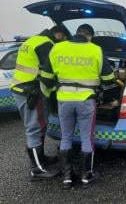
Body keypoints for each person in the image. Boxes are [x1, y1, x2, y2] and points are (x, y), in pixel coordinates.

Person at [40, 24, 114, 189]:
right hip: (86, 100)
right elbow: (109, 78)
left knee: (66, 137)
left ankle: (67, 178)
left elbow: (45, 77)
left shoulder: (58, 48)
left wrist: (55, 89)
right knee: (86, 138)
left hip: (64, 101)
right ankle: (85, 177)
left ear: (77, 33)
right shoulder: (95, 50)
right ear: (89, 36)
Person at [10, 26, 67, 181]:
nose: (62, 41)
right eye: (63, 38)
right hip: (31, 91)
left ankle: (41, 159)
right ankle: (37, 170)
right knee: (35, 128)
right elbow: (51, 70)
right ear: (59, 34)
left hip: (21, 87)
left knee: (38, 126)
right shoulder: (46, 44)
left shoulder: (32, 40)